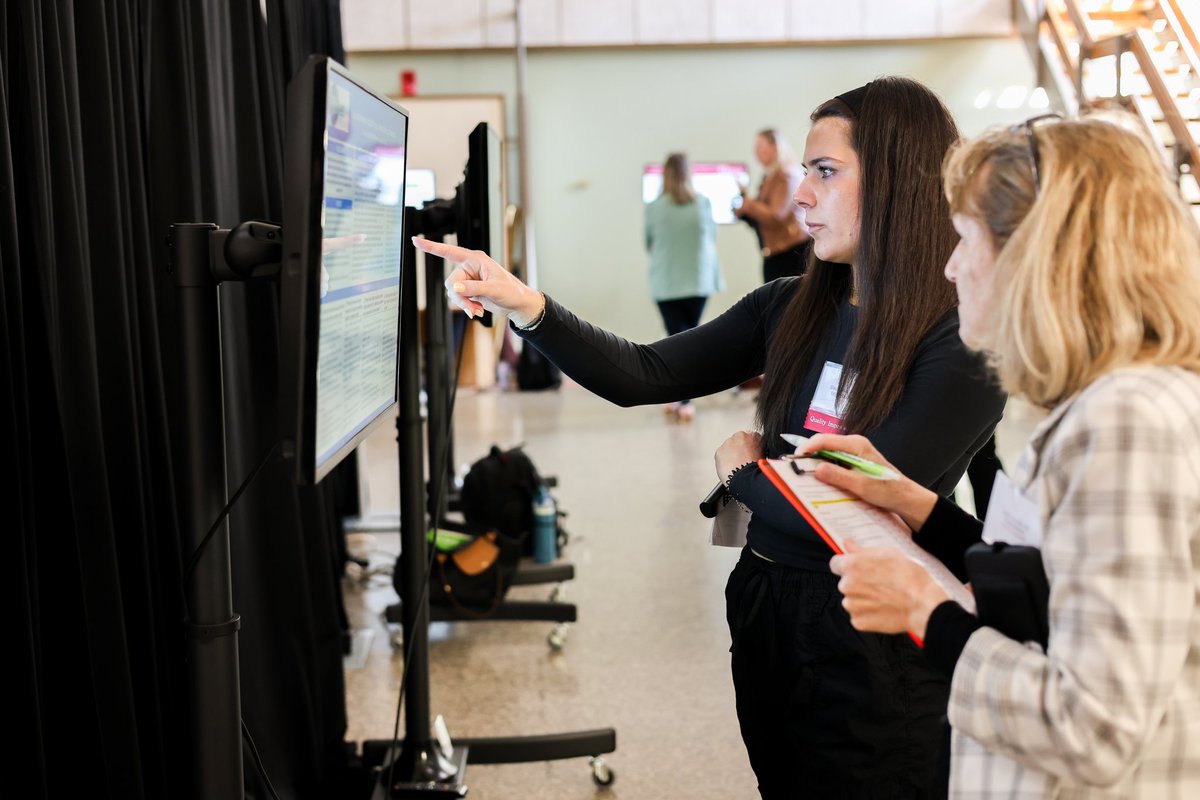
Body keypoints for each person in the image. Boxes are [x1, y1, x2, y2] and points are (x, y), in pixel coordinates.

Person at [415, 77, 1006, 798]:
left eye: (825, 173)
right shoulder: (789, 306)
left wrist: (745, 472)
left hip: (874, 630)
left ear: (894, 180)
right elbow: (644, 371)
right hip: (766, 608)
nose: (801, 198)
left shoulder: (960, 335)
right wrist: (524, 304)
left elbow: (866, 514)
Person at [812, 114, 1200, 797]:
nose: (950, 266)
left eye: (966, 240)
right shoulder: (1107, 403)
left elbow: (1093, 729)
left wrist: (925, 614)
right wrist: (920, 507)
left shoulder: (1123, 423)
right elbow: (1056, 586)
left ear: (1040, 259)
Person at [645, 152, 725, 421]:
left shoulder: (655, 207)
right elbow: (711, 239)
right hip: (698, 281)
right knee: (691, 336)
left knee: (674, 339)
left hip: (667, 283)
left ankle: (679, 397)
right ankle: (685, 400)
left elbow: (648, 243)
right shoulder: (703, 204)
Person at [734, 127, 810, 282]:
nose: (756, 152)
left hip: (791, 251)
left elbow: (776, 214)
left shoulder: (786, 175)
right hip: (777, 251)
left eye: (760, 146)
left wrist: (748, 204)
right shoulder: (772, 176)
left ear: (775, 147)